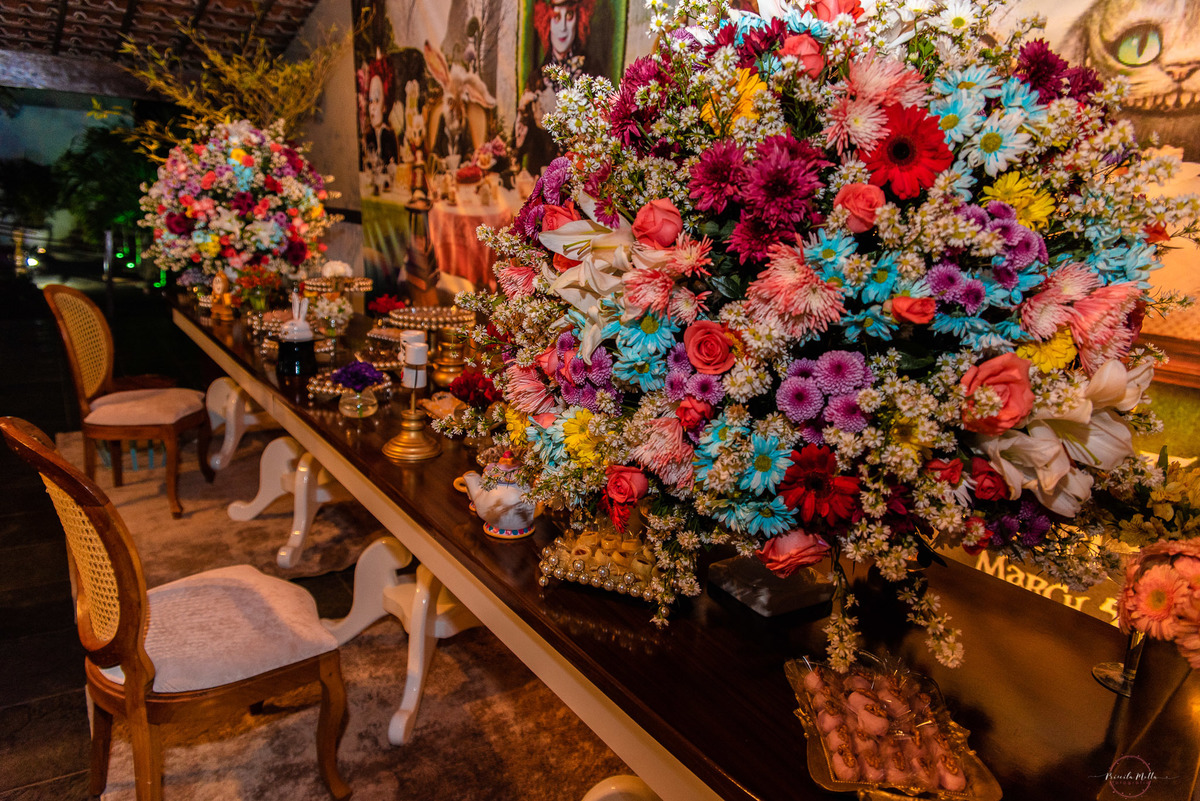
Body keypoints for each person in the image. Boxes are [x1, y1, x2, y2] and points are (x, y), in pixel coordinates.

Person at [515, 0, 596, 177]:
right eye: (556, 17)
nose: (563, 27)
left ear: (579, 19)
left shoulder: (592, 73)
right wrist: (524, 112)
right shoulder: (537, 78)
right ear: (547, 21)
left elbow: (599, 138)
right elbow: (519, 148)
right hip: (540, 184)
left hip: (580, 184)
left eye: (569, 16)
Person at [360, 52, 399, 181]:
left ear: (384, 106)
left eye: (377, 101)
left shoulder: (389, 135)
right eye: (370, 101)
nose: (372, 107)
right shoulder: (369, 136)